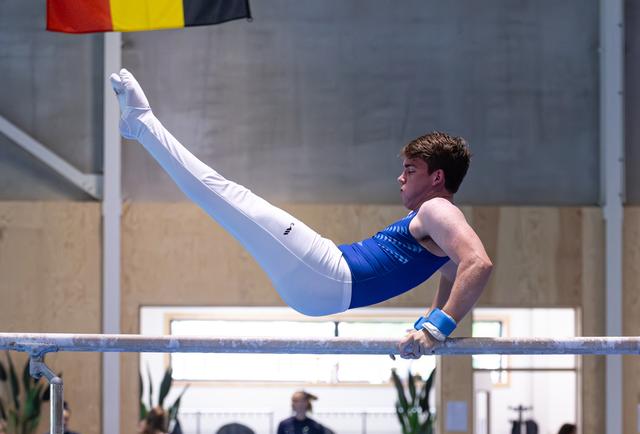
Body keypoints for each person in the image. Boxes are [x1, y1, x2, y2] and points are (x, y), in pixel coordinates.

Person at [110, 69, 493, 358]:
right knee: (226, 203)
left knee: (227, 195)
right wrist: (423, 327)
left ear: (437, 177)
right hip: (321, 290)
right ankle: (140, 126)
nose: (400, 178)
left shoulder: (437, 208)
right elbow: (452, 273)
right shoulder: (443, 227)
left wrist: (436, 331)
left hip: (326, 271)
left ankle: (141, 123)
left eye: (410, 170)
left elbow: (477, 264)